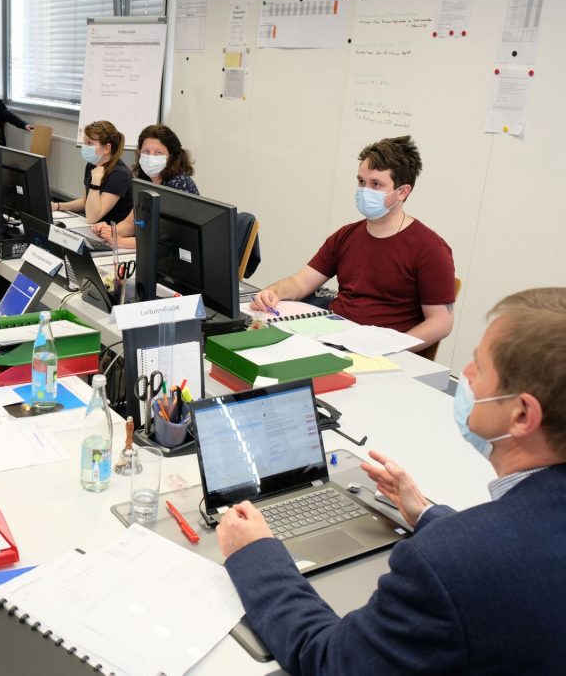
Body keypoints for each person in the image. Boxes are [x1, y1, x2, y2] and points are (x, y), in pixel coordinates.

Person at [217, 287, 566, 674]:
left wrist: (255, 553)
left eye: (479, 368)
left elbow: (331, 661)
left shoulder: (447, 562)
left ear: (521, 415)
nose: (462, 376)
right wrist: (430, 515)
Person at [250, 135, 455, 351]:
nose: (365, 191)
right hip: (331, 337)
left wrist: (391, 349)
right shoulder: (346, 235)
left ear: (402, 192)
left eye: (376, 184)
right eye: (361, 182)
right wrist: (272, 292)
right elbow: (300, 283)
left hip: (379, 352)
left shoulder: (430, 249)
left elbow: (441, 322)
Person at [93, 124, 199, 249]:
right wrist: (109, 231)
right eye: (146, 152)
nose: (151, 157)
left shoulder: (179, 184)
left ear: (170, 157)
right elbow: (131, 223)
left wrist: (120, 241)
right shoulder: (145, 181)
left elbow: (166, 239)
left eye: (158, 153)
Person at [52, 120, 133, 228]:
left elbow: (92, 217)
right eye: (84, 142)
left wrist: (96, 181)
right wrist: (57, 206)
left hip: (114, 235)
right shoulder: (93, 165)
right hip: (95, 229)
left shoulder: (120, 174)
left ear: (107, 148)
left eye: (89, 143)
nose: (84, 147)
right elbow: (86, 202)